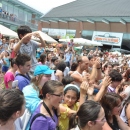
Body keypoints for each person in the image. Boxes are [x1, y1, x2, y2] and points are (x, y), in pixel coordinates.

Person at [22, 65, 54, 130]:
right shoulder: (28, 89)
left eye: (50, 75)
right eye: (46, 76)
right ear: (37, 77)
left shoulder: (45, 89)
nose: (49, 78)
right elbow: (36, 107)